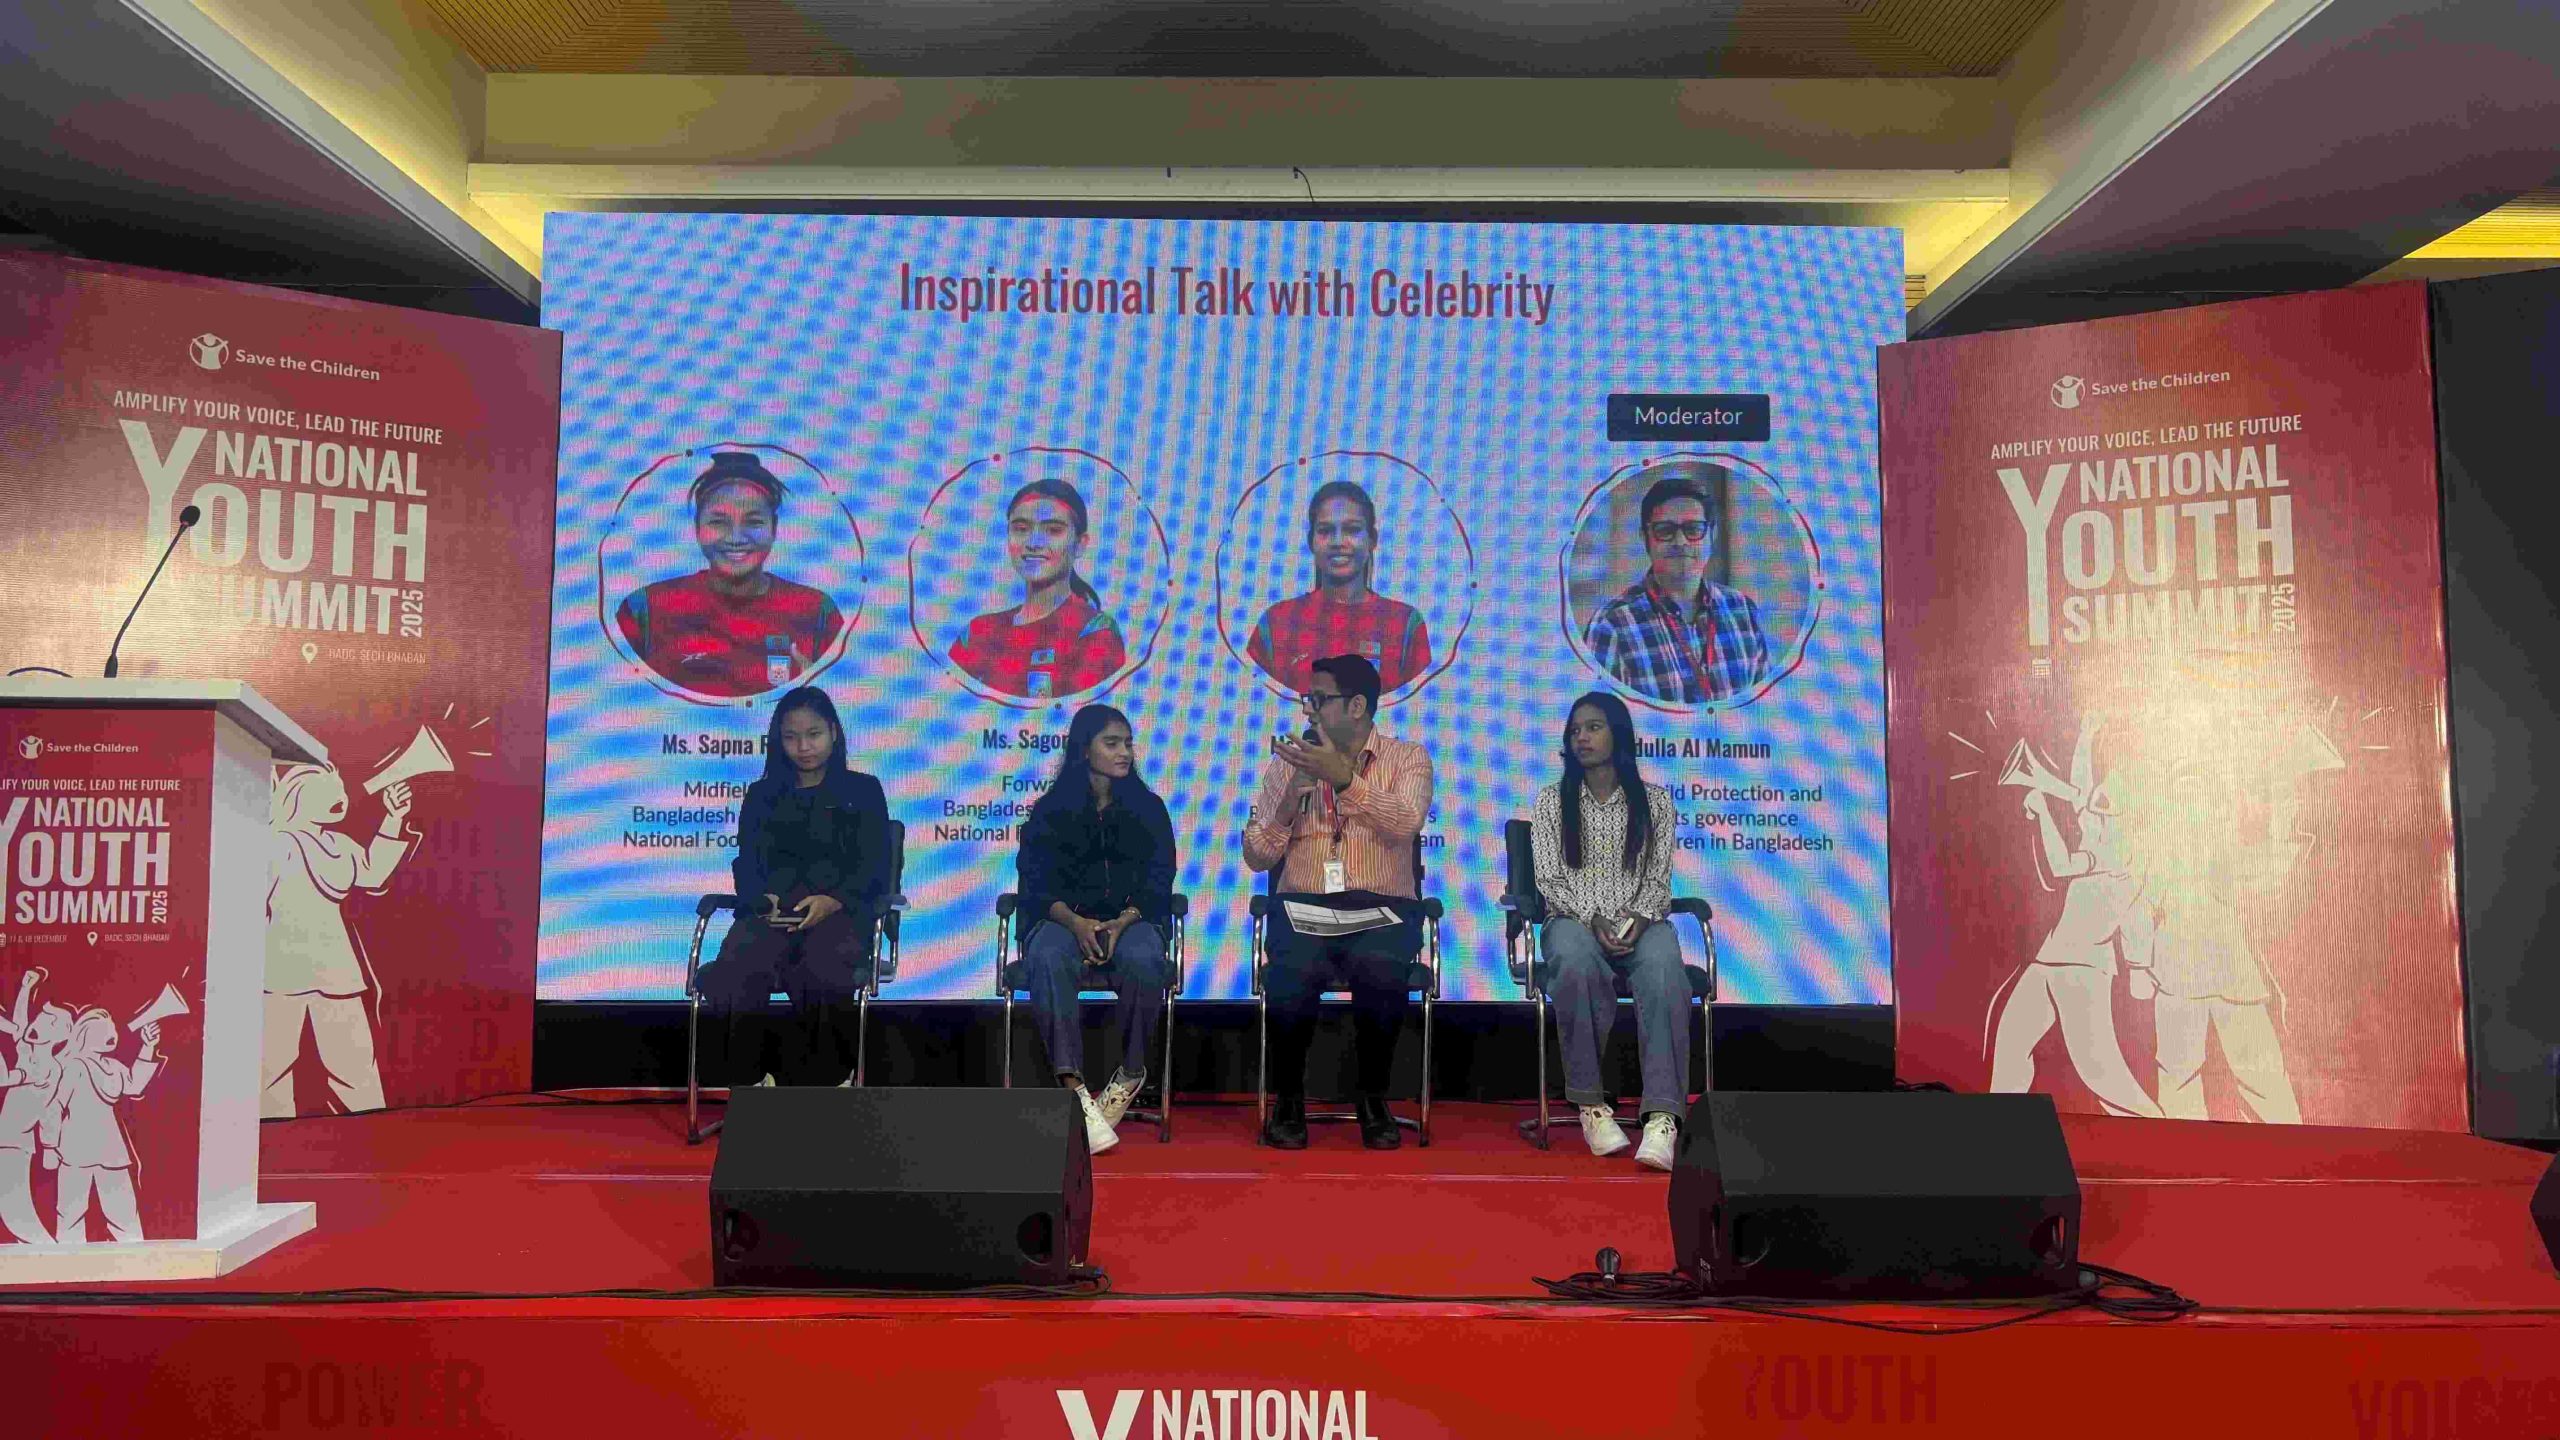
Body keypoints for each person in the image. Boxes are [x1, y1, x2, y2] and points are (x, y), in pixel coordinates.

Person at [1241, 654, 1435, 1149]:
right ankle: (1288, 1101)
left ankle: (1373, 1098)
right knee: (1292, 973)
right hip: (1304, 907)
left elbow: (1405, 823)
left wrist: (1346, 780)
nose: (1307, 709)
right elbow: (1257, 856)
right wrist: (1289, 803)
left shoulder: (1407, 758)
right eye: (1307, 699)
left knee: (1380, 970)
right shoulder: (1287, 765)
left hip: (1381, 910)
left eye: (1318, 699)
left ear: (1357, 706)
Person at [693, 687, 892, 1088]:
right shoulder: (762, 795)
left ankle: (824, 1083)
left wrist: (833, 900)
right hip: (772, 916)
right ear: (777, 740)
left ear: (833, 733)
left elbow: (875, 866)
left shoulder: (863, 791)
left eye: (813, 734)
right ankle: (747, 1083)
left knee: (820, 968)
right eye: (791, 737)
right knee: (736, 968)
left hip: (840, 915)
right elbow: (747, 862)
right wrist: (760, 899)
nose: (803, 747)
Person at [1530, 692, 1693, 1169]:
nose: (1581, 737)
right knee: (1575, 959)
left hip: (1640, 921)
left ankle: (1662, 1116)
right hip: (1573, 919)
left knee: (1664, 967)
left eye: (1593, 727)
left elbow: (1658, 879)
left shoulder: (1655, 802)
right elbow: (1549, 879)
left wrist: (1638, 919)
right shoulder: (1551, 802)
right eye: (1575, 730)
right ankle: (1591, 1105)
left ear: (1618, 734)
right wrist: (1594, 918)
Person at [1013, 704, 1177, 1155]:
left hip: (1132, 918)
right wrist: (1075, 922)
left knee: (1144, 959)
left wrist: (1125, 919)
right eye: (1112, 743)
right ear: (1084, 750)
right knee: (1047, 955)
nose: (1125, 752)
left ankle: (1130, 1073)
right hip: (1063, 919)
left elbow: (1161, 878)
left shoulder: (1149, 809)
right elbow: (1035, 882)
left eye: (1128, 744)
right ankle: (1074, 1089)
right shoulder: (1050, 811)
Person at [1986, 717, 2163, 1118]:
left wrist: (2043, 810)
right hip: (2050, 960)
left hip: (2082, 970)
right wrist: (2085, 735)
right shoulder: (2101, 829)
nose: (2103, 789)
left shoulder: (2125, 847)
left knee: (2105, 1079)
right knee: (2011, 1049)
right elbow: (2081, 787)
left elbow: (2062, 865)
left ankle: (2164, 1135)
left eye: (2116, 784)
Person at [616, 450, 847, 698]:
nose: (736, 538)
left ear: (774, 528)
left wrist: (824, 694)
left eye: (753, 522)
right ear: (697, 529)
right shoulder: (645, 610)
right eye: (718, 522)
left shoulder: (816, 612)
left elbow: (849, 701)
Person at [264, 763, 410, 1117]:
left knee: (355, 1065)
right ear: (297, 799)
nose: (339, 797)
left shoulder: (340, 844)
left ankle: (373, 1130)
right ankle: (270, 1131)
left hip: (336, 970)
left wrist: (393, 818)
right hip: (281, 971)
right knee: (271, 1067)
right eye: (325, 792)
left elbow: (373, 875)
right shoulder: (278, 844)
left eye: (339, 789)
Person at [1581, 465, 1769, 704]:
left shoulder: (1743, 611)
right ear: (1645, 538)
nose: (1680, 541)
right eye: (1665, 530)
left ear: (1711, 536)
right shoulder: (1611, 626)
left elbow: (1763, 712)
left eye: (1693, 529)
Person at [1246, 481, 1433, 697]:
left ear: (1372, 540)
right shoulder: (1277, 622)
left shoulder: (1405, 624)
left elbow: (1418, 705)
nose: (1338, 542)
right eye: (1325, 531)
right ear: (1311, 541)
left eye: (1352, 530)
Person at [951, 479, 1128, 700]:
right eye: (1021, 529)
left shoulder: (1094, 632)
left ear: (1080, 544)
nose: (1034, 543)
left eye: (1053, 530)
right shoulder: (979, 632)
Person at [40, 1007, 162, 1243]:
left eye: (112, 1029)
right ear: (85, 1035)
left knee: (124, 1215)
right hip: (75, 1152)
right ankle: (66, 1259)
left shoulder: (113, 1066)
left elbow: (135, 1085)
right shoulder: (74, 1067)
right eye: (102, 1031)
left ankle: (134, 1258)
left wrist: (147, 1047)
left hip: (111, 1151)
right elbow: (54, 1106)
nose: (111, 1035)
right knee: (70, 1216)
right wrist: (49, 1146)